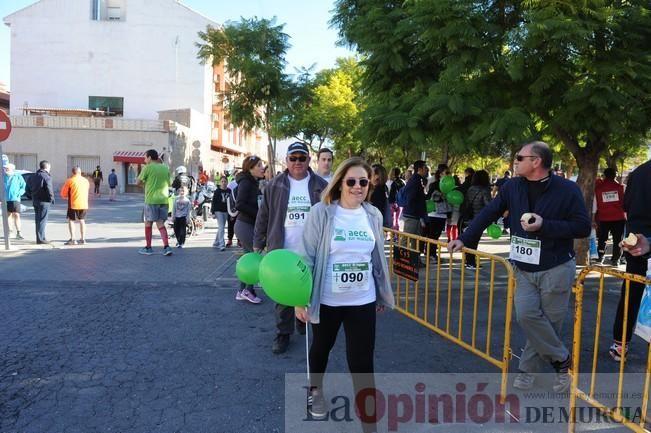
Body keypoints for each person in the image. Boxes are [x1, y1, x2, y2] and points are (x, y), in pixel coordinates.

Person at [448, 141, 590, 392]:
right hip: (523, 267)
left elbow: (581, 227)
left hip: (556, 266)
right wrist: (465, 238)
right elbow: (489, 213)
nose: (514, 161)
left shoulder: (567, 189)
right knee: (527, 316)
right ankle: (562, 359)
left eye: (519, 157)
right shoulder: (512, 187)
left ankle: (530, 371)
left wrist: (544, 225)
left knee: (549, 322)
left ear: (536, 161)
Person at [296, 157, 395, 428]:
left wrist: (379, 292)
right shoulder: (322, 213)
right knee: (321, 348)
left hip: (362, 300)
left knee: (362, 362)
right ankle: (314, 391)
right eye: (351, 181)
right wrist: (300, 299)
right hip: (327, 299)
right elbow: (306, 257)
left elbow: (376, 257)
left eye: (363, 181)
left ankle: (369, 424)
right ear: (340, 183)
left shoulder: (372, 214)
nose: (357, 186)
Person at [254, 141, 328, 354]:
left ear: (308, 160)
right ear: (286, 160)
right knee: (282, 296)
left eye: (301, 158)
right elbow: (264, 215)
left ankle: (303, 322)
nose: (297, 162)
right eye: (293, 158)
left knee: (311, 289)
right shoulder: (275, 184)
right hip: (283, 248)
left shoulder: (320, 186)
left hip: (312, 249)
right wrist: (258, 243)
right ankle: (282, 333)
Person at [610, 159, 651, 361]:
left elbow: (626, 208)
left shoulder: (639, 173)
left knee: (631, 294)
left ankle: (620, 344)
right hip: (640, 244)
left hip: (636, 242)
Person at [234, 155, 266, 303]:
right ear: (250, 168)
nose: (262, 168)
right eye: (259, 165)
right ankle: (248, 289)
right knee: (255, 256)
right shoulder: (246, 183)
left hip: (249, 224)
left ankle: (242, 290)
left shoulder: (254, 182)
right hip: (244, 225)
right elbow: (239, 204)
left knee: (248, 259)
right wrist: (258, 214)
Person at [137, 149, 173, 256]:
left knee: (148, 223)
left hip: (151, 200)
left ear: (149, 158)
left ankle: (148, 247)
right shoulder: (165, 168)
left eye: (145, 157)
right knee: (160, 223)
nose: (144, 160)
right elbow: (169, 182)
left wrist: (145, 186)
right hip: (164, 199)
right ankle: (166, 247)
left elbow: (138, 182)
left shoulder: (147, 168)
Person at [460, 169, 493, 268]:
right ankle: (471, 262)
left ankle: (468, 260)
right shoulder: (484, 190)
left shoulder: (470, 188)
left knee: (469, 239)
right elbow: (489, 205)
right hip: (478, 219)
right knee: (474, 241)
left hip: (467, 217)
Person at [593, 167, 626, 266]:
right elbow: (626, 203)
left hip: (603, 218)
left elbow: (595, 205)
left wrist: (593, 218)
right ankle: (616, 259)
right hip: (619, 218)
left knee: (602, 239)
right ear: (615, 175)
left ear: (605, 175)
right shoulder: (622, 188)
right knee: (618, 240)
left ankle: (600, 256)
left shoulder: (598, 189)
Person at [400, 160, 429, 246]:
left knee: (414, 240)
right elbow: (412, 197)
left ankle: (413, 257)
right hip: (412, 214)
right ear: (419, 169)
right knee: (407, 239)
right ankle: (400, 258)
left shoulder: (417, 179)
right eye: (425, 168)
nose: (427, 170)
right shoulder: (415, 180)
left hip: (414, 214)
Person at [60, 166, 90, 245]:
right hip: (84, 203)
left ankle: (73, 239)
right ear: (80, 172)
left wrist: (66, 197)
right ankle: (83, 239)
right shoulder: (86, 181)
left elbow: (63, 193)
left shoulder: (70, 181)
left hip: (73, 203)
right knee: (82, 220)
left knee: (71, 220)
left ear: (72, 172)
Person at [29, 160, 55, 245]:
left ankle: (40, 238)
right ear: (47, 167)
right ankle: (41, 239)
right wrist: (52, 198)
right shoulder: (46, 176)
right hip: (44, 201)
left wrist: (31, 196)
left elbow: (27, 188)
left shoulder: (33, 176)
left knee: (38, 220)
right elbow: (49, 188)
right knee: (42, 220)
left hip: (35, 200)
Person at [2, 163, 26, 240]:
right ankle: (10, 232)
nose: (5, 170)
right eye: (5, 168)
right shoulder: (2, 177)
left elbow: (23, 186)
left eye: (7, 168)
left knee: (16, 215)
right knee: (8, 215)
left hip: (15, 199)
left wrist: (19, 193)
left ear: (12, 169)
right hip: (6, 199)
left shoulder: (18, 176)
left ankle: (19, 232)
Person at [211, 176, 231, 251]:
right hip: (218, 211)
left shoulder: (229, 191)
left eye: (225, 181)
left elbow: (231, 202)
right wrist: (213, 212)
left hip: (226, 211)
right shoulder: (217, 191)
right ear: (220, 183)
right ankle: (221, 244)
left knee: (221, 228)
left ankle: (216, 243)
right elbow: (213, 202)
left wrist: (231, 212)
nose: (223, 183)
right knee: (222, 227)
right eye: (222, 181)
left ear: (227, 182)